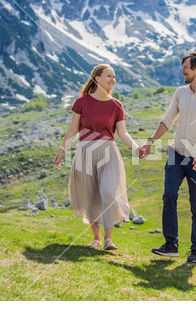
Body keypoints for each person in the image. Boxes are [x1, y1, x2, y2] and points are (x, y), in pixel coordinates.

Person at [139, 52, 196, 264]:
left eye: (186, 67)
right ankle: (171, 244)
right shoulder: (180, 92)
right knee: (169, 195)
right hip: (176, 152)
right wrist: (150, 141)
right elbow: (167, 120)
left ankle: (195, 251)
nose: (182, 71)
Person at [54, 64, 141, 250]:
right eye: (109, 76)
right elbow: (73, 129)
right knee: (91, 195)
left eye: (114, 76)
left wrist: (135, 147)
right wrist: (62, 148)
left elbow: (123, 134)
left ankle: (109, 239)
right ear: (97, 78)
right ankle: (97, 239)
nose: (113, 80)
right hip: (85, 152)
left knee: (108, 191)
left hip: (108, 152)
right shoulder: (82, 102)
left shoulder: (117, 105)